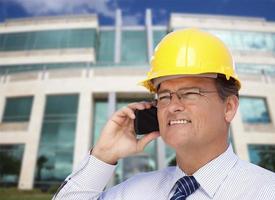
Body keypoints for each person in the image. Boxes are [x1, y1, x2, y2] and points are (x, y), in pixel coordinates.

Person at [53, 28, 275, 200]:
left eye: (190, 93)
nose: (172, 105)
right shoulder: (133, 192)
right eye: (165, 96)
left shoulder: (266, 191)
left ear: (229, 108)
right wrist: (102, 156)